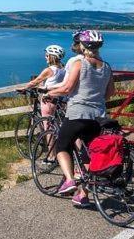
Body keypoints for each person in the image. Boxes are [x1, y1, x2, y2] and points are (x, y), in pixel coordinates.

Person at [45, 30, 114, 207]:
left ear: (82, 46)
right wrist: (95, 101)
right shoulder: (106, 66)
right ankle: (83, 195)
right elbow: (110, 93)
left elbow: (67, 88)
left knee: (62, 146)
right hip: (98, 116)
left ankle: (69, 180)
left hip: (77, 114)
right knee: (89, 155)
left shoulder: (79, 63)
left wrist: (50, 93)